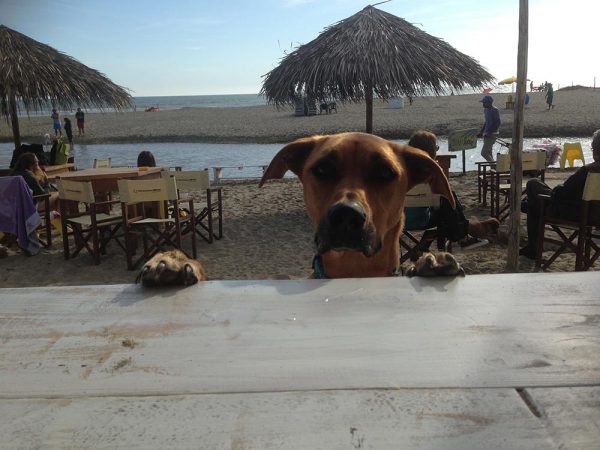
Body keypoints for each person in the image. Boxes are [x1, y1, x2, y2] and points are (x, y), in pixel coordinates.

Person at [404, 130, 498, 250]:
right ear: (431, 151)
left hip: (397, 221)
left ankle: (459, 235)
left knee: (444, 203)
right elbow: (442, 197)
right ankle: (462, 236)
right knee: (447, 199)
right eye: (436, 148)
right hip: (422, 220)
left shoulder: (399, 170)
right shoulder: (433, 171)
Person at [520, 129, 600, 259]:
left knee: (533, 184)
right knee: (534, 202)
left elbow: (561, 193)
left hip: (576, 214)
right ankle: (528, 205)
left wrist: (555, 190)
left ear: (596, 150)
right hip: (595, 215)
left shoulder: (589, 171)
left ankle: (533, 248)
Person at [477, 95, 501, 162]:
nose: (483, 104)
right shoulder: (486, 110)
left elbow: (497, 123)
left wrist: (489, 132)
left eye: (484, 103)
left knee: (484, 153)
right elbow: (486, 122)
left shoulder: (495, 110)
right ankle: (493, 170)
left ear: (489, 103)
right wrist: (481, 132)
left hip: (492, 134)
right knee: (489, 152)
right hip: (486, 133)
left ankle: (494, 166)